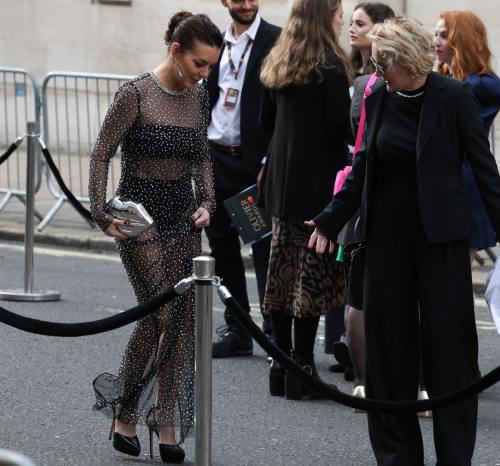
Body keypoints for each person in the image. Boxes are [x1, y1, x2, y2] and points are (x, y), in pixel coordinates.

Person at [307, 15, 500, 465]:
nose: (375, 73)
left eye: (382, 64)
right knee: (389, 355)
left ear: (407, 61)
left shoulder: (454, 96)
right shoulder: (377, 95)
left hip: (442, 245)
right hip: (386, 242)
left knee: (449, 356)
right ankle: (398, 458)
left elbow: (485, 172)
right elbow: (362, 169)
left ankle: (454, 458)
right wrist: (330, 220)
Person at [89, 12, 222, 463]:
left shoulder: (198, 97)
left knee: (168, 319)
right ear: (176, 51)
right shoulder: (136, 93)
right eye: (199, 64)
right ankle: (151, 417)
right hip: (138, 220)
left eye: (210, 67)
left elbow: (201, 156)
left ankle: (146, 414)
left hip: (183, 217)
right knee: (165, 315)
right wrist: (99, 211)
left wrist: (208, 201)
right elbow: (102, 151)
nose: (203, 75)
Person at [259, 0, 351, 400]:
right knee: (310, 277)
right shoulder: (329, 65)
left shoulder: (278, 59)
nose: (342, 18)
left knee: (280, 273)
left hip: (281, 183)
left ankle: (281, 365)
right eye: (338, 11)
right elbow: (339, 127)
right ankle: (304, 366)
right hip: (316, 186)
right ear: (323, 16)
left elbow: (265, 122)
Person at [206, 0, 281, 358]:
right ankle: (238, 329)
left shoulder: (275, 40)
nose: (247, 4)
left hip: (255, 166)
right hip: (216, 160)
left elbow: (282, 108)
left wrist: (269, 160)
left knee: (264, 248)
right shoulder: (216, 43)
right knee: (222, 249)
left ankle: (271, 331)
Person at [331, 2, 395, 401]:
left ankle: (363, 382)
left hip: (357, 192)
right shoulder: (372, 82)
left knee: (360, 290)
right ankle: (409, 385)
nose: (351, 29)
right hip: (381, 194)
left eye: (360, 23)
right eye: (350, 22)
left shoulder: (362, 84)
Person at [435, 10, 500, 270]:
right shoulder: (450, 79)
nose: (436, 42)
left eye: (444, 35)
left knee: (455, 276)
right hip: (445, 181)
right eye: (436, 34)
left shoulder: (482, 84)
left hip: (463, 184)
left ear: (462, 39)